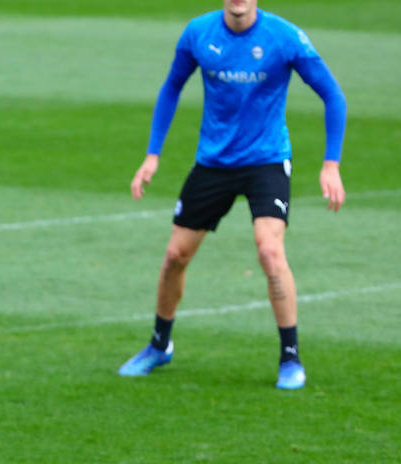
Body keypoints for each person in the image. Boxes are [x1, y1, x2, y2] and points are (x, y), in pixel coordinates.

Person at [121, 0, 346, 389]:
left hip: (267, 160)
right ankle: (159, 345)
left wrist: (331, 164)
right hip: (214, 162)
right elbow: (172, 86)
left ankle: (289, 358)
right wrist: (152, 155)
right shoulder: (198, 34)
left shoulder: (284, 37)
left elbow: (333, 95)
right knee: (176, 255)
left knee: (270, 251)